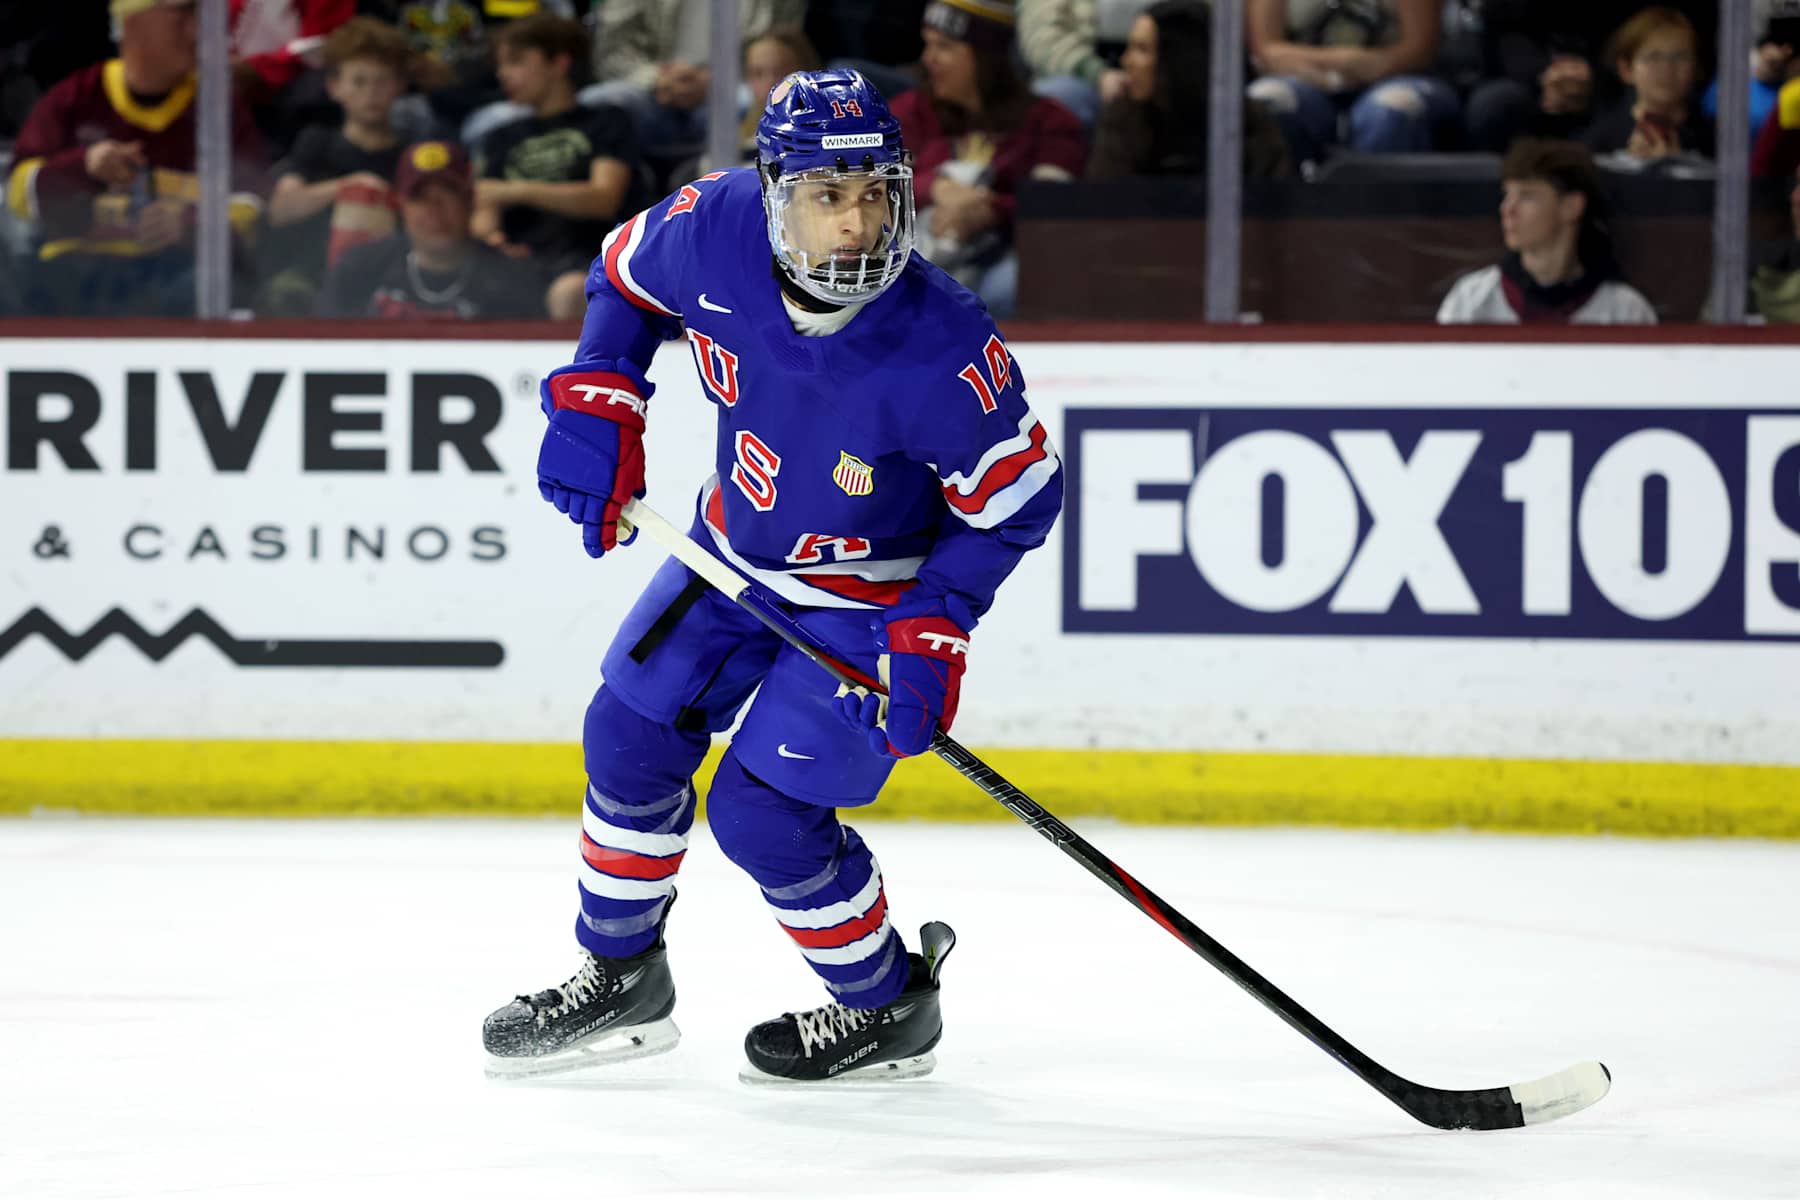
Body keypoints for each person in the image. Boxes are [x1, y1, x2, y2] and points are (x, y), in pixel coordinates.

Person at [481, 69, 1063, 1083]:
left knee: (762, 814)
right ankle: (621, 978)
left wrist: (938, 620)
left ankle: (886, 1006)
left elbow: (1018, 503)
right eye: (827, 197)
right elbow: (621, 277)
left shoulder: (945, 346)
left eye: (876, 194)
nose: (855, 225)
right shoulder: (712, 225)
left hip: (867, 597)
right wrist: (600, 396)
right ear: (773, 192)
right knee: (626, 733)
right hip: (733, 553)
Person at [5, 0, 267, 317]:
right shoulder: (73, 98)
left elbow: (252, 205)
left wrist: (187, 225)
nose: (198, 32)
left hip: (174, 276)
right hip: (75, 275)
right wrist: (83, 165)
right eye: (181, 16)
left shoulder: (218, 107)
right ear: (134, 22)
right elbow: (19, 195)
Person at [888, 0, 1087, 317]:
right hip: (919, 252)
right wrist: (936, 188)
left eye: (945, 47)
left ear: (984, 56)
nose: (929, 59)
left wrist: (990, 209)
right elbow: (875, 190)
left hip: (1003, 253)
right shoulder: (905, 114)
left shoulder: (1050, 123)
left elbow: (1049, 210)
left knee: (1014, 283)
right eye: (928, 44)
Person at [473, 14, 650, 320]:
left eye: (516, 62)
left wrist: (515, 191)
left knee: (570, 292)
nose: (503, 74)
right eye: (500, 64)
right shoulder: (500, 138)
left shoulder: (606, 121)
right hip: (520, 264)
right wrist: (491, 239)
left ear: (559, 64)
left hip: (591, 260)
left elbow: (602, 198)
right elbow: (485, 206)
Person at [261, 16, 411, 314]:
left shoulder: (410, 153)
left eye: (382, 81)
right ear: (334, 87)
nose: (371, 92)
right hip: (311, 278)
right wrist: (350, 186)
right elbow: (281, 209)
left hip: (390, 283)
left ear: (399, 86)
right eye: (359, 81)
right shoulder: (316, 142)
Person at [1437, 138, 1656, 324]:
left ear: (1571, 206)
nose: (1507, 209)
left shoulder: (1625, 312)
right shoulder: (1471, 299)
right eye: (1507, 195)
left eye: (1527, 196)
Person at [318, 139, 543, 317]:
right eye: (419, 197)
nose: (434, 209)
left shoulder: (512, 279)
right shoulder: (359, 270)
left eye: (448, 195)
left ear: (469, 200)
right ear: (400, 204)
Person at [1086, 0, 1291, 180]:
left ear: (1179, 60)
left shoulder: (1246, 122)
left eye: (1142, 49)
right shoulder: (1122, 118)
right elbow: (1104, 211)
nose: (1126, 61)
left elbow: (1269, 211)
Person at [1245, 0, 1460, 167]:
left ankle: (1378, 218)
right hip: (1304, 76)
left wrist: (1373, 66)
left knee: (1389, 111)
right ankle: (1279, 217)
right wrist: (1343, 63)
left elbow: (1420, 50)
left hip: (1395, 73)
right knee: (1269, 100)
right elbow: (1267, 50)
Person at [1582, 6, 1715, 161]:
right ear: (1626, 70)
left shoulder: (1718, 140)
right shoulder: (1598, 140)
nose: (1667, 69)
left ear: (1696, 68)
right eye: (1653, 57)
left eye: (1680, 57)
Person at [736, 26, 822, 161]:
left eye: (781, 71)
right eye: (758, 73)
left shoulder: (822, 133)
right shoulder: (737, 138)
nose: (770, 82)